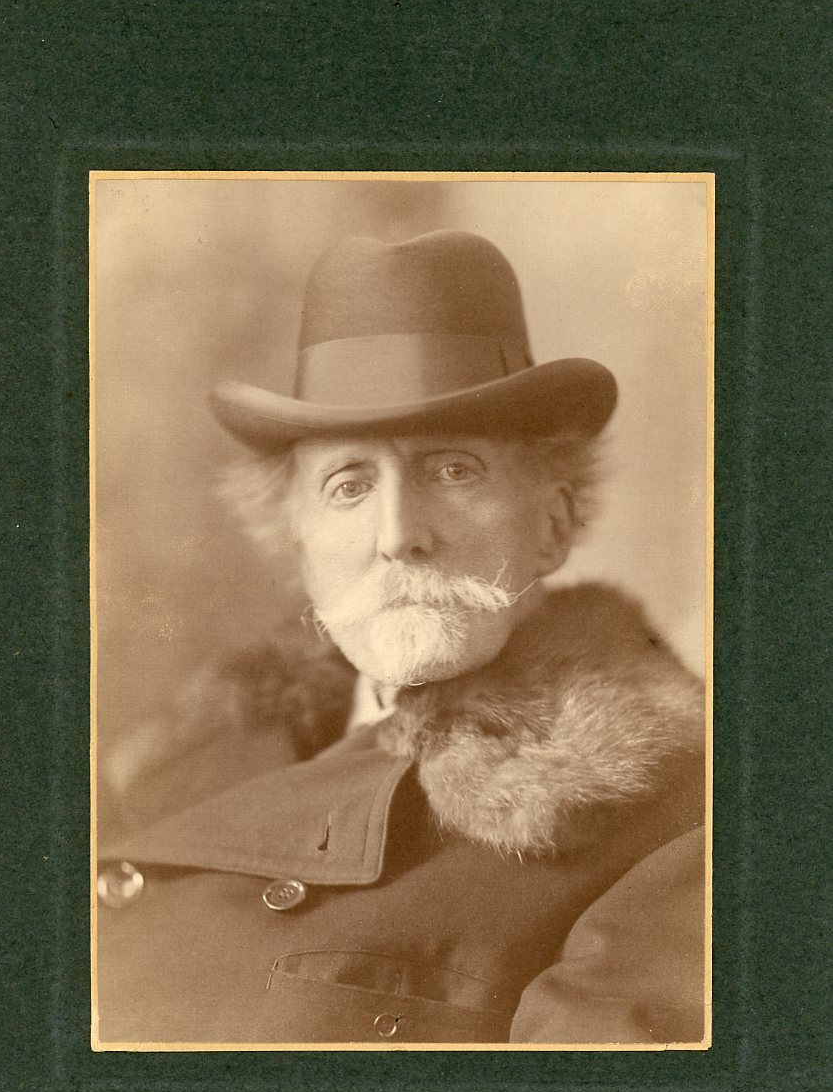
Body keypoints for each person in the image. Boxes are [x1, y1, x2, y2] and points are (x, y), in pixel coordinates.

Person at [95, 230, 706, 1047]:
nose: (397, 535)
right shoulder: (174, 769)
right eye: (348, 486)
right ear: (299, 541)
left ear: (551, 525)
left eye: (452, 470)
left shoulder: (685, 820)